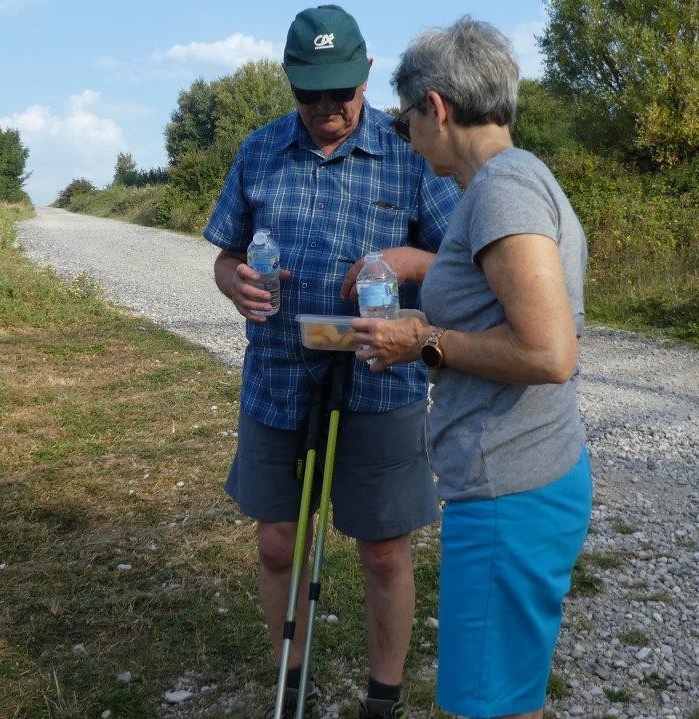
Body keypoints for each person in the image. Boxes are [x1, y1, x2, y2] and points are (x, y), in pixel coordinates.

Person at [203, 5, 461, 717]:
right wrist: (236, 283)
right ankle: (291, 677)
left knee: (383, 549)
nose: (326, 109)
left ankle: (383, 694)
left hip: (383, 379)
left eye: (340, 94)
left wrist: (407, 260)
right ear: (290, 85)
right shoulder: (259, 153)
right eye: (309, 95)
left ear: (366, 76)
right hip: (278, 376)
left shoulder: (414, 153)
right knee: (278, 543)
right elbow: (226, 255)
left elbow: (459, 262)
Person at [350, 17, 592, 719]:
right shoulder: (516, 180)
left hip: (507, 487)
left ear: (438, 108)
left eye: (407, 120)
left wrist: (422, 342)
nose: (407, 137)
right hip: (528, 477)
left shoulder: (500, 191)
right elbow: (502, 299)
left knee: (484, 704)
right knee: (509, 694)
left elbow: (549, 353)